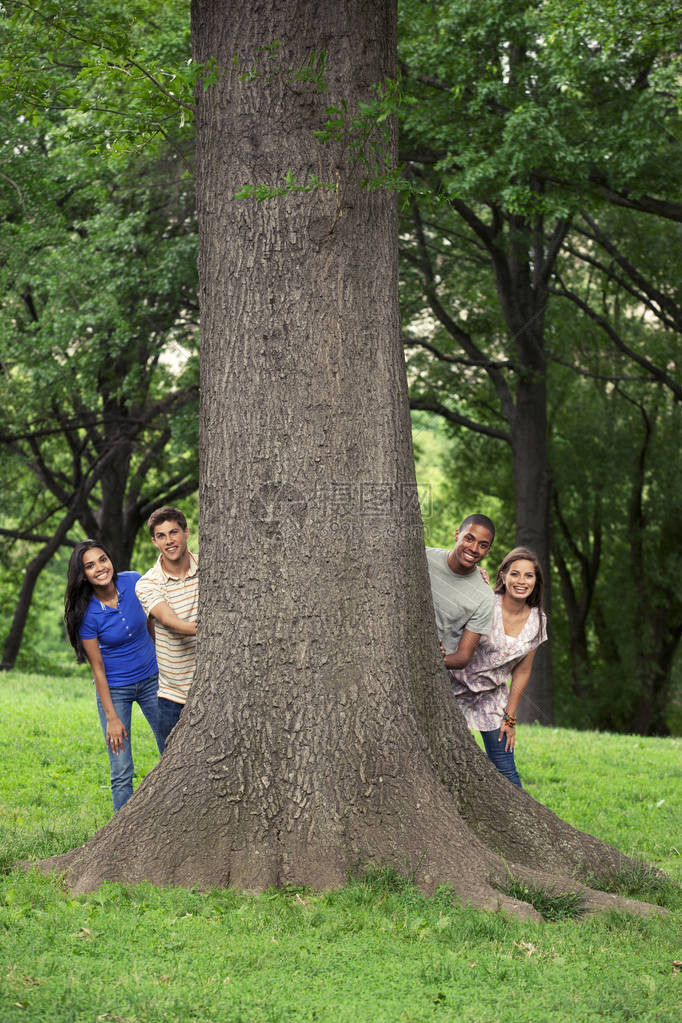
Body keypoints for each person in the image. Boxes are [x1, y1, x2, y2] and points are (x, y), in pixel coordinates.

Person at [64, 539, 163, 812]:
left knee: (174, 746)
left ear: (110, 560)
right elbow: (97, 668)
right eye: (90, 566)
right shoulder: (86, 614)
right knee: (121, 768)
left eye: (102, 560)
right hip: (115, 689)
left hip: (153, 679)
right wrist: (111, 718)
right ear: (83, 575)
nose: (99, 568)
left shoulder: (134, 582)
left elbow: (152, 623)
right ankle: (123, 833)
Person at [449, 546, 548, 788]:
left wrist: (510, 717)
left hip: (491, 697)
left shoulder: (538, 621)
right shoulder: (484, 601)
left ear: (536, 581)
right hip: (452, 685)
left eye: (528, 575)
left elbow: (523, 671)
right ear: (503, 575)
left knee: (506, 769)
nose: (521, 581)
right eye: (515, 574)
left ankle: (523, 823)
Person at [135, 506, 198, 751]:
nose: (169, 541)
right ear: (154, 541)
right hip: (173, 697)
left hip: (214, 691)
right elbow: (170, 621)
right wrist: (213, 633)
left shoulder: (212, 570)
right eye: (161, 536)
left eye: (174, 532)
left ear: (186, 532)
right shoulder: (148, 583)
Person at [426, 513, 496, 671]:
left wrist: (435, 659)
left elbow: (463, 657)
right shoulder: (424, 557)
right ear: (457, 535)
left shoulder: (484, 597)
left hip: (433, 676)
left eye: (483, 545)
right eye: (469, 538)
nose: (474, 548)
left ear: (488, 550)